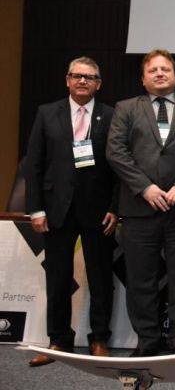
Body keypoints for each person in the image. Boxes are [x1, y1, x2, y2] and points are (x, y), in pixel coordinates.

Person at [106, 49, 175, 356]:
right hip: (139, 209)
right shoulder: (125, 109)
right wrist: (145, 188)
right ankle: (148, 341)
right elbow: (116, 152)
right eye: (153, 70)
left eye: (166, 69)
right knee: (141, 281)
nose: (160, 73)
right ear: (143, 78)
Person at [25, 57, 118, 366]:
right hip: (56, 211)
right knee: (59, 277)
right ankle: (59, 340)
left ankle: (100, 339)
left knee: (101, 278)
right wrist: (35, 209)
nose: (83, 81)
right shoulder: (46, 113)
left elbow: (120, 167)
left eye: (90, 77)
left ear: (98, 84)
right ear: (67, 80)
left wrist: (116, 208)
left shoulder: (111, 115)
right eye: (77, 76)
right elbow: (34, 165)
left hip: (98, 212)